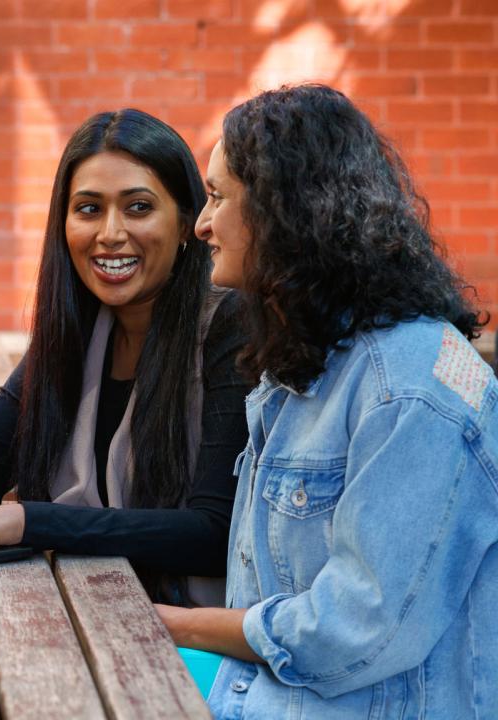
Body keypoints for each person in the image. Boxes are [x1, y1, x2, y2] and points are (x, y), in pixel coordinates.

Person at [156, 84, 498, 717]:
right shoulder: (311, 355)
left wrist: (174, 624)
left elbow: (355, 625)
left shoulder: (411, 387)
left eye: (217, 196)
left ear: (282, 209)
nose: (201, 224)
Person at [0, 109, 252, 606]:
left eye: (139, 207)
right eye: (89, 209)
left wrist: (32, 521)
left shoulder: (229, 325)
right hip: (81, 609)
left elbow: (214, 533)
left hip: (197, 634)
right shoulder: (77, 328)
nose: (111, 233)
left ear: (188, 221)